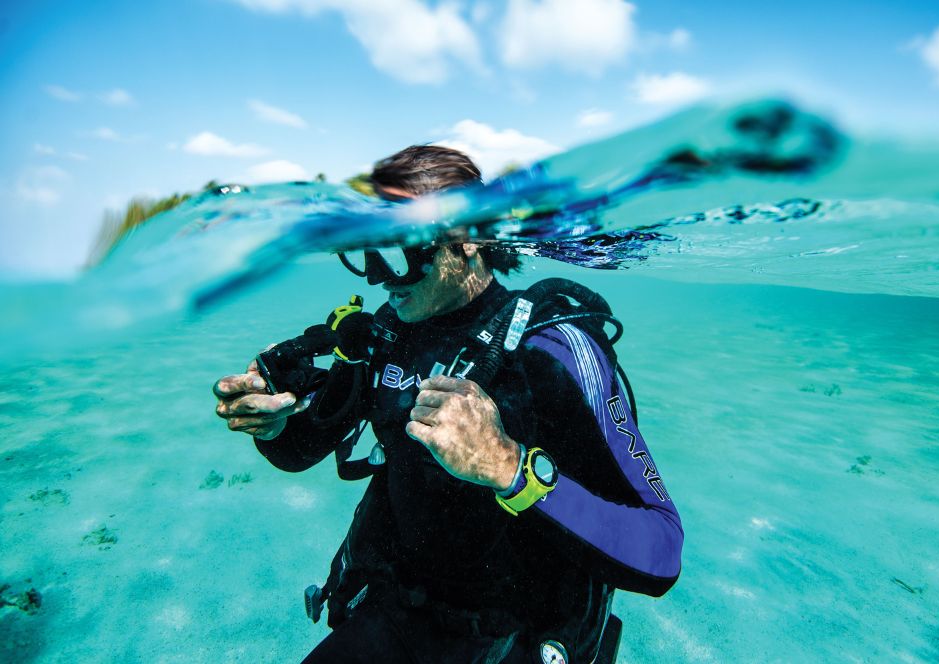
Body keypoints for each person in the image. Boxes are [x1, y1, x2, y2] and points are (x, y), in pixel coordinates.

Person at [213, 145, 683, 663]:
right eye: (363, 253)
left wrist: (510, 468)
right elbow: (301, 451)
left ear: (469, 238)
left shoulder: (553, 352)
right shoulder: (387, 336)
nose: (378, 277)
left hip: (516, 639)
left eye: (398, 251)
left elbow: (660, 550)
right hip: (396, 611)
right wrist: (273, 426)